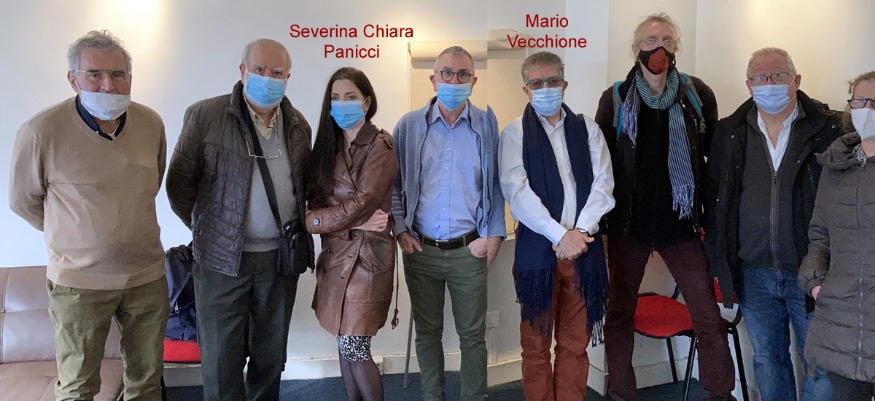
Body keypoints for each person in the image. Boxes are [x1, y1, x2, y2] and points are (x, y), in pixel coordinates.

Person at [9, 29, 168, 400]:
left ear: (130, 77)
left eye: (118, 74)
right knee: (78, 386)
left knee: (146, 382)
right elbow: (22, 200)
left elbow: (152, 183)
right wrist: (74, 235)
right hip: (78, 284)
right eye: (94, 74)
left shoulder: (150, 124)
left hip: (146, 277)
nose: (108, 85)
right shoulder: (41, 131)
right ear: (73, 78)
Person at [593, 13, 736, 401]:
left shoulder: (696, 94)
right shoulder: (616, 98)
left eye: (667, 41)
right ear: (635, 48)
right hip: (628, 227)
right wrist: (600, 227)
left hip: (682, 226)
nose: (659, 48)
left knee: (707, 315)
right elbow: (601, 165)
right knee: (619, 314)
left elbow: (713, 158)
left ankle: (719, 394)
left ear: (676, 47)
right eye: (651, 41)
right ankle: (622, 393)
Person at [166, 38, 313, 401]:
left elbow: (303, 187)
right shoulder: (206, 116)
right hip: (220, 262)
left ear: (288, 77)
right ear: (243, 71)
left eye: (277, 72)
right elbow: (178, 185)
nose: (268, 78)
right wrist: (212, 231)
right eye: (259, 69)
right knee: (221, 360)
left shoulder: (298, 125)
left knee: (270, 356)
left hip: (279, 262)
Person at [706, 47, 840, 401]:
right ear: (748, 85)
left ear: (796, 80)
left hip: (812, 273)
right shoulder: (730, 131)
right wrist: (721, 262)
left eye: (778, 75)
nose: (768, 83)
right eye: (759, 78)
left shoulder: (829, 128)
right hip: (754, 272)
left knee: (818, 365)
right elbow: (715, 200)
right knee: (767, 359)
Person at [498, 51, 614, 401]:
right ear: (526, 89)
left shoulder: (587, 128)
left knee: (575, 344)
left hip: (584, 251)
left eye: (552, 81)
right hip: (539, 253)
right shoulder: (514, 133)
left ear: (564, 84)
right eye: (537, 83)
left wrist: (580, 233)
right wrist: (560, 235)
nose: (545, 88)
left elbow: (604, 184)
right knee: (535, 345)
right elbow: (517, 193)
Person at [391, 45, 505, 401]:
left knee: (472, 336)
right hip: (421, 249)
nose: (454, 81)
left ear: (473, 81)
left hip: (469, 250)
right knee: (427, 334)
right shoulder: (409, 126)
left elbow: (496, 184)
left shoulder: (486, 125)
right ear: (433, 79)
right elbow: (394, 183)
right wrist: (400, 228)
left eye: (462, 74)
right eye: (446, 73)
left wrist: (493, 235)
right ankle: (432, 397)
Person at [304, 67, 399, 401]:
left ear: (366, 102)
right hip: (335, 257)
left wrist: (318, 221)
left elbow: (362, 203)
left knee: (355, 346)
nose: (342, 104)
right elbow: (312, 207)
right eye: (335, 98)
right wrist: (347, 222)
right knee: (344, 343)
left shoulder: (380, 145)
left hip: (366, 260)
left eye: (350, 97)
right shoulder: (327, 146)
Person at [798, 70, 875, 401]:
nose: (867, 109)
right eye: (860, 101)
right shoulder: (837, 163)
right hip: (840, 319)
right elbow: (820, 234)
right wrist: (817, 283)